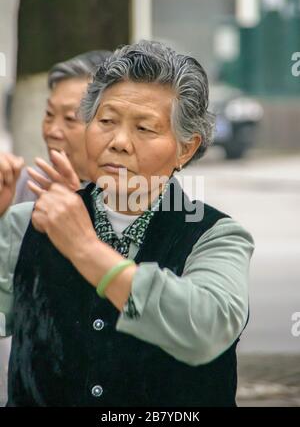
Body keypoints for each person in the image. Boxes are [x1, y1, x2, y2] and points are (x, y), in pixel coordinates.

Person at [0, 40, 255, 407]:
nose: (118, 142)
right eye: (106, 121)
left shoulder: (216, 236)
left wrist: (86, 249)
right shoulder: (27, 223)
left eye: (144, 129)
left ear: (185, 148)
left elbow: (206, 330)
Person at [14, 50, 111, 203]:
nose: (52, 131)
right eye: (49, 113)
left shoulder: (133, 197)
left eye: (70, 118)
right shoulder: (27, 183)